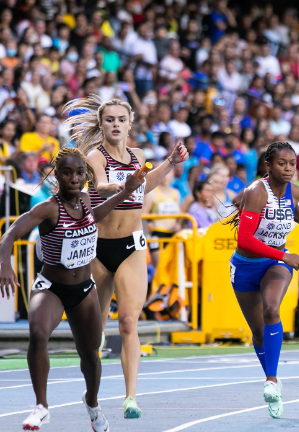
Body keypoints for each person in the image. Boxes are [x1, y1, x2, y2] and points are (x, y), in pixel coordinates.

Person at [63, 95, 188, 419]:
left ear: (130, 123)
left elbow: (144, 188)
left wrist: (171, 162)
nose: (116, 124)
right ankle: (92, 393)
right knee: (95, 329)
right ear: (102, 125)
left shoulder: (140, 155)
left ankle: (131, 397)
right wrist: (126, 183)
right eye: (110, 120)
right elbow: (102, 187)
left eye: (121, 119)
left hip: (132, 246)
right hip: (98, 248)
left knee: (130, 321)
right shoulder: (95, 156)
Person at [0, 148, 142, 431]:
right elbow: (10, 233)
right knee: (38, 333)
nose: (74, 178)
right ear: (58, 175)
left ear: (84, 176)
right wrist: (5, 262)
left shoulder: (88, 203)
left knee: (90, 353)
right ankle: (41, 407)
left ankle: (91, 402)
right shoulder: (48, 208)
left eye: (79, 173)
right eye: (67, 173)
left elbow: (101, 212)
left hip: (83, 289)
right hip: (51, 287)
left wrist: (127, 191)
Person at [224, 141, 299, 418]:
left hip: (275, 263)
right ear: (268, 165)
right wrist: (284, 255)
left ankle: (271, 380)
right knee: (259, 332)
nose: (288, 169)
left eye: (292, 164)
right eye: (281, 164)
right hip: (245, 265)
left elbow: (295, 209)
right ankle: (271, 379)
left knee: (272, 308)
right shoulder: (255, 192)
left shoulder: (294, 190)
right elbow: (244, 239)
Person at [143, 167, 182, 267]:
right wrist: (148, 228)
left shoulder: (176, 194)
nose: (165, 176)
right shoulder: (152, 193)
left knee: (173, 268)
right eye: (164, 173)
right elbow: (143, 215)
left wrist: (178, 225)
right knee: (160, 267)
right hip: (157, 234)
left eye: (168, 173)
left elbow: (179, 215)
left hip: (172, 234)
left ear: (173, 175)